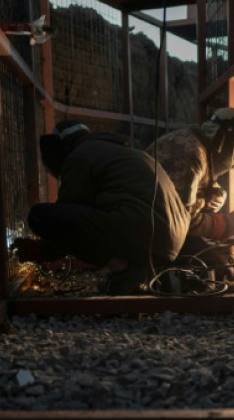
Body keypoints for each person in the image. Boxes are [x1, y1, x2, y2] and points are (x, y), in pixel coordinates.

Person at [12, 120, 189, 294]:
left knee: (40, 216)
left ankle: (124, 270)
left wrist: (41, 251)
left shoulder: (80, 156)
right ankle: (146, 271)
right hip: (170, 243)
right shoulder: (121, 151)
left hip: (146, 233)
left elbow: (69, 216)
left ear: (61, 147)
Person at [145, 107, 234, 280]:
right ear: (224, 138)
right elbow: (179, 224)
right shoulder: (192, 156)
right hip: (145, 232)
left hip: (148, 220)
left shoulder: (192, 141)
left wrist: (206, 195)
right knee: (211, 263)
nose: (233, 165)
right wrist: (225, 225)